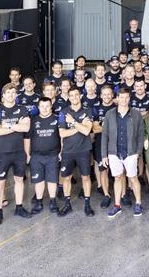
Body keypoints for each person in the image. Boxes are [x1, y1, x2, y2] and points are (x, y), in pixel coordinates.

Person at [100, 87, 145, 218]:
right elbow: (105, 136)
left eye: (127, 97)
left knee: (133, 178)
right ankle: (117, 205)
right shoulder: (109, 114)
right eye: (122, 97)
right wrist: (104, 155)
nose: (124, 100)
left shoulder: (136, 114)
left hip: (130, 152)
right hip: (114, 152)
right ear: (117, 98)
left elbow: (141, 135)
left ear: (129, 98)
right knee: (118, 177)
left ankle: (138, 203)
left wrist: (138, 152)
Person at [0, 83, 32, 225]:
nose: (11, 95)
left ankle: (19, 208)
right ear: (3, 95)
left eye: (13, 92)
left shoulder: (22, 109)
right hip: (3, 153)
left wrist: (7, 125)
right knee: (0, 182)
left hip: (19, 152)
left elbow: (26, 127)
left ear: (16, 95)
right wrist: (16, 126)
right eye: (8, 92)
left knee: (19, 180)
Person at [57, 87, 95, 217]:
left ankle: (87, 204)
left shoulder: (87, 110)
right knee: (66, 178)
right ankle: (67, 204)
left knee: (85, 177)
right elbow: (62, 133)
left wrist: (73, 122)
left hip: (83, 150)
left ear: (80, 96)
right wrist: (80, 126)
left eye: (76, 95)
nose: (74, 97)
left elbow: (87, 131)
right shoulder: (63, 112)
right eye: (71, 95)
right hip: (68, 151)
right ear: (69, 97)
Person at [25, 96, 61, 214]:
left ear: (51, 107)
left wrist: (61, 152)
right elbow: (27, 138)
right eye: (42, 106)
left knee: (52, 179)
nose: (45, 109)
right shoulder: (33, 120)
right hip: (36, 156)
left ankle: (52, 201)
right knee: (38, 180)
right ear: (38, 107)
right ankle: (39, 202)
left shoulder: (57, 119)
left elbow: (62, 136)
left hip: (53, 155)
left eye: (47, 106)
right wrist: (27, 154)